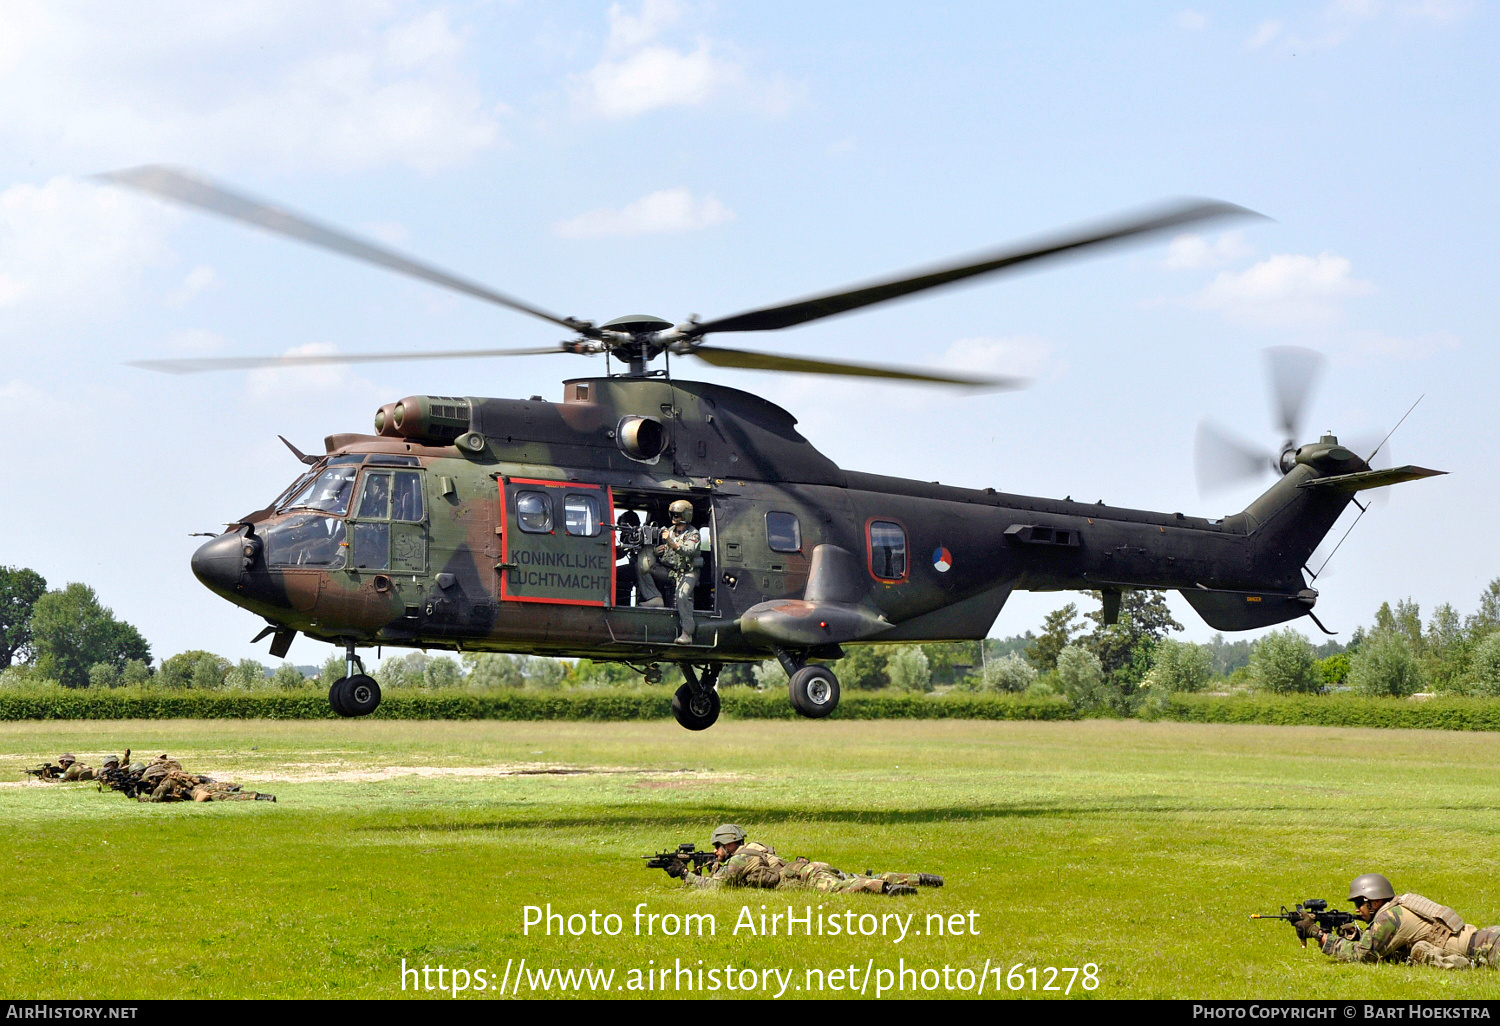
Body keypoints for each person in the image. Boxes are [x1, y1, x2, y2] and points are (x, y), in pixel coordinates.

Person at [665, 824, 942, 896]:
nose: (715, 852)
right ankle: (923, 879)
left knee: (842, 888)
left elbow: (718, 888)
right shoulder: (754, 847)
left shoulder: (737, 860)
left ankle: (887, 890)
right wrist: (707, 866)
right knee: (855, 876)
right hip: (810, 867)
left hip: (806, 877)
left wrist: (685, 875)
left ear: (729, 843)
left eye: (718, 847)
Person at [1297, 873, 1500, 969]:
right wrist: (1357, 935)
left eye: (1360, 902)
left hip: (1488, 949)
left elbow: (1364, 956)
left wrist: (1320, 935)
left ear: (1375, 902)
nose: (1357, 909)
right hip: (1487, 939)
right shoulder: (1398, 907)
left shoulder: (1390, 917)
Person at [652, 499, 702, 645]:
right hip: (671, 571)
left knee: (682, 596)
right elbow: (666, 556)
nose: (674, 517)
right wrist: (656, 552)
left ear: (686, 516)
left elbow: (688, 551)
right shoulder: (670, 532)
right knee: (646, 569)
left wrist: (671, 542)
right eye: (673, 514)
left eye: (678, 515)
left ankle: (687, 634)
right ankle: (652, 599)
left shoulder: (693, 534)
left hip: (688, 572)